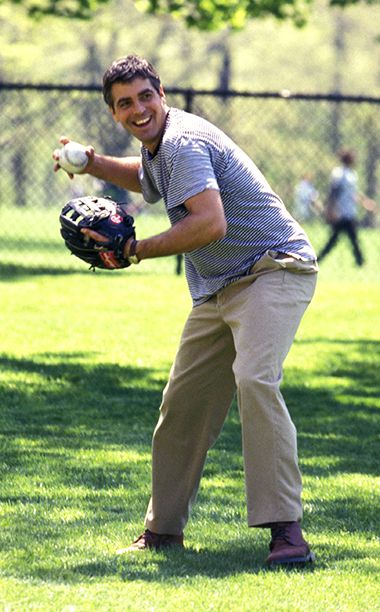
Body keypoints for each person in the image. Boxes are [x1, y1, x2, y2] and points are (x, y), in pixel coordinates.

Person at [53, 55, 319, 567]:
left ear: (162, 93)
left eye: (145, 97)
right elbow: (146, 177)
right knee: (183, 404)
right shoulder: (158, 148)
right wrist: (91, 161)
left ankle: (287, 530)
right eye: (124, 103)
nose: (138, 109)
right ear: (114, 113)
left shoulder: (181, 141)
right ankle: (162, 531)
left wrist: (133, 251)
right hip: (220, 285)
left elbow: (210, 224)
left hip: (274, 268)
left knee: (255, 379)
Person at [318, 148, 366, 266]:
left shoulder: (352, 174)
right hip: (340, 213)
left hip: (350, 212)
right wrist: (331, 210)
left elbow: (352, 193)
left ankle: (359, 261)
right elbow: (333, 193)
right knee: (338, 240)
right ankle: (360, 261)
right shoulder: (339, 174)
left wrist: (365, 202)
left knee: (350, 239)